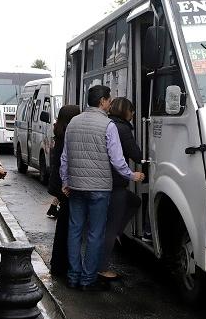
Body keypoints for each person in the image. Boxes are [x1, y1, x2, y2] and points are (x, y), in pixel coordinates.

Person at [60, 85, 145, 291]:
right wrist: (132, 175)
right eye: (109, 100)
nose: (110, 103)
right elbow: (117, 160)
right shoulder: (108, 126)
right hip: (99, 188)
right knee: (95, 233)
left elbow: (65, 157)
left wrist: (65, 181)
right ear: (102, 102)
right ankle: (88, 279)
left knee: (75, 231)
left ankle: (73, 277)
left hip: (76, 186)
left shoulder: (73, 122)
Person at [98, 98, 142, 281]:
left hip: (102, 180)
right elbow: (136, 154)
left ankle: (116, 232)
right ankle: (102, 267)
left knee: (134, 201)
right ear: (127, 112)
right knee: (111, 227)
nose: (133, 116)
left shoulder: (107, 124)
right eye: (132, 112)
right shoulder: (123, 128)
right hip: (116, 182)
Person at [47, 105, 81, 277]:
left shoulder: (59, 133)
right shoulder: (67, 135)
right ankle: (60, 265)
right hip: (64, 186)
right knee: (67, 226)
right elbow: (64, 163)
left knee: (64, 224)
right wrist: (65, 185)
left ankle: (58, 263)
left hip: (59, 184)